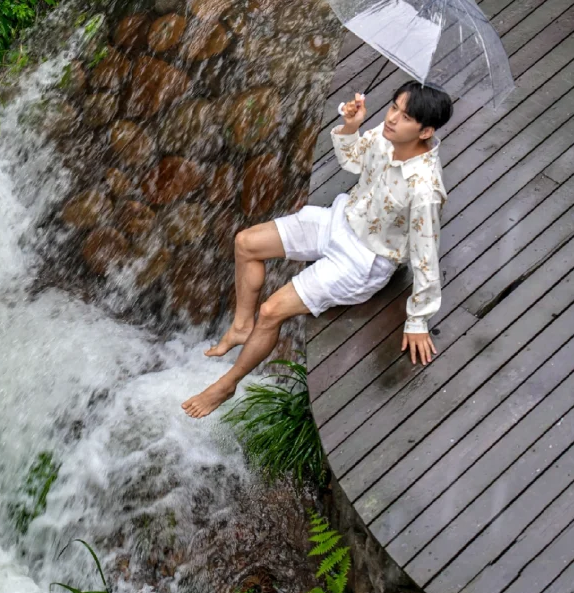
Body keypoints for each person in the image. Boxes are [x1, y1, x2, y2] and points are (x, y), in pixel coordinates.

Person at [182, 80, 452, 420]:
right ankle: (239, 326)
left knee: (270, 312)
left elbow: (427, 255)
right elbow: (352, 161)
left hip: (363, 260)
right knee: (246, 243)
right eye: (394, 106)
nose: (393, 118)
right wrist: (351, 127)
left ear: (425, 131)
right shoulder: (385, 138)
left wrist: (418, 320)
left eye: (405, 116)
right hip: (339, 220)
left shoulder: (425, 188)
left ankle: (227, 384)